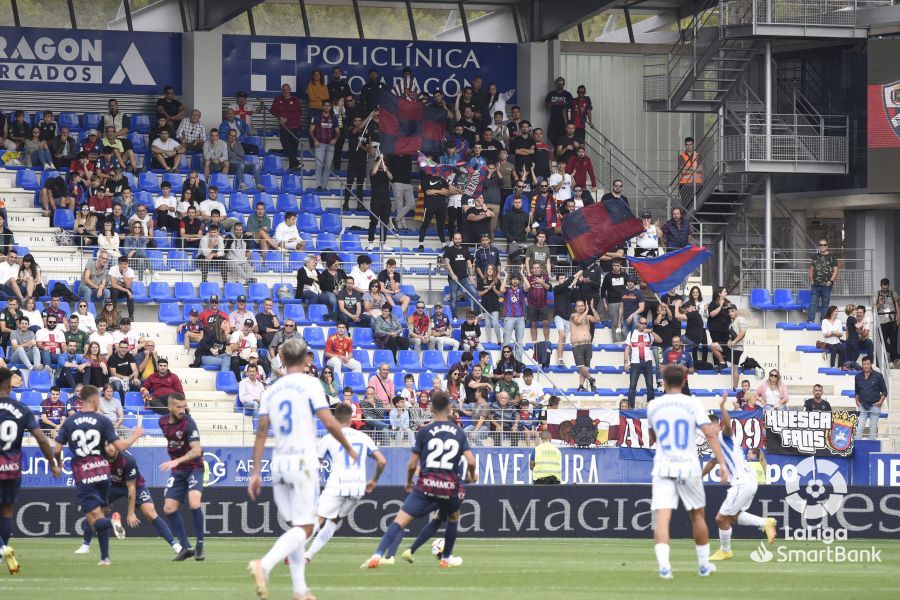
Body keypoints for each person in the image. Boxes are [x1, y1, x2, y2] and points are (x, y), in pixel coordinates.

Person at [247, 338, 357, 599]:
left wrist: (255, 472)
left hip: (278, 463)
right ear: (307, 359)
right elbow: (329, 422)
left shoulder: (271, 390)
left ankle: (300, 590)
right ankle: (264, 564)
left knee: (295, 528)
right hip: (302, 462)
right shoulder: (310, 383)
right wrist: (348, 447)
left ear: (282, 359)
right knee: (306, 528)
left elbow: (261, 432)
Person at [363, 391, 477, 569]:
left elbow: (411, 464)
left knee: (400, 520)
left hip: (427, 484)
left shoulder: (425, 431)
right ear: (449, 408)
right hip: (449, 486)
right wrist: (472, 475)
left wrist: (409, 481)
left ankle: (377, 555)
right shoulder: (459, 432)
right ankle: (446, 558)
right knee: (453, 517)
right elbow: (471, 461)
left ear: (431, 408)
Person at [648, 364, 727, 579]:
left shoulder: (654, 405)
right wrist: (721, 463)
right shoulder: (693, 403)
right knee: (697, 515)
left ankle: (664, 566)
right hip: (688, 466)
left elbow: (653, 437)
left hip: (664, 466)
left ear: (664, 382)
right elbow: (709, 434)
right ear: (684, 381)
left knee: (662, 517)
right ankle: (703, 565)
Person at [54, 384, 143, 567]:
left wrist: (57, 463)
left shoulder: (70, 422)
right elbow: (120, 447)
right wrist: (135, 435)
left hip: (84, 474)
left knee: (94, 520)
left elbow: (56, 449)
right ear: (95, 400)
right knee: (99, 515)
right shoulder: (103, 421)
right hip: (103, 473)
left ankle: (112, 523)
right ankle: (105, 557)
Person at [304, 402, 386, 564]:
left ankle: (297, 550)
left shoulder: (328, 438)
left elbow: (315, 465)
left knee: (319, 518)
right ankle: (307, 556)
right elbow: (382, 461)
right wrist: (374, 480)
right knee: (333, 521)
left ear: (335, 418)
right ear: (351, 418)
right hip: (357, 487)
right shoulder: (364, 437)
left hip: (337, 484)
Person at [703, 392, 777, 562]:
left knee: (721, 518)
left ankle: (725, 551)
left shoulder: (723, 435)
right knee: (733, 516)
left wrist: (722, 407)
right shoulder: (716, 443)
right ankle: (765, 522)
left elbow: (728, 426)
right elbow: (712, 462)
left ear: (714, 426)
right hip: (746, 481)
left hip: (742, 482)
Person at [0, 367, 59, 572]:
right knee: (6, 512)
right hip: (12, 468)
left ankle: (2, 549)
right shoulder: (22, 408)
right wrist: (52, 462)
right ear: (9, 385)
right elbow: (41, 438)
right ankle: (3, 549)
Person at [76, 443, 181, 556]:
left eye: (113, 445)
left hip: (135, 486)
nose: (111, 448)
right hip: (113, 486)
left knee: (150, 513)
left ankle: (176, 546)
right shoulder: (99, 458)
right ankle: (85, 546)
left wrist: (131, 513)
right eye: (107, 445)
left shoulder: (127, 460)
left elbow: (131, 488)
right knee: (93, 508)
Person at [159, 393, 206, 561]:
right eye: (178, 407)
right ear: (170, 407)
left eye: (184, 406)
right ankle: (185, 547)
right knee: (168, 509)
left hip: (194, 467)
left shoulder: (189, 423)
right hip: (178, 471)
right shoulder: (162, 422)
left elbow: (197, 450)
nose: (182, 410)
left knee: (194, 503)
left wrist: (176, 460)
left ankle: (200, 545)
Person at [712, 305, 749, 392]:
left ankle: (735, 388)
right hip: (730, 346)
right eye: (729, 312)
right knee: (713, 346)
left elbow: (743, 332)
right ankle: (723, 362)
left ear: (736, 311)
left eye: (732, 311)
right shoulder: (732, 323)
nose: (730, 313)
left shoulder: (740, 319)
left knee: (734, 368)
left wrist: (735, 341)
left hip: (737, 348)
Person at [269, 83, 304, 172]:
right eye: (284, 90)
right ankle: (296, 163)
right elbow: (272, 110)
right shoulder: (278, 99)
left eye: (287, 90)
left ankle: (293, 168)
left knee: (293, 148)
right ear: (281, 91)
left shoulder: (295, 100)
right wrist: (279, 117)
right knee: (285, 144)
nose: (285, 91)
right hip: (284, 128)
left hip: (295, 127)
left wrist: (287, 119)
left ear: (290, 90)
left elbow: (298, 113)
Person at [443, 232, 478, 317]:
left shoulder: (465, 251)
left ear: (461, 239)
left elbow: (469, 264)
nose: (457, 240)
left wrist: (471, 276)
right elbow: (447, 263)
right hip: (453, 279)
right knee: (453, 298)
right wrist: (452, 274)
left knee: (474, 293)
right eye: (456, 239)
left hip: (464, 278)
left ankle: (477, 314)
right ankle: (454, 317)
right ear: (453, 239)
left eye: (459, 239)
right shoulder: (449, 250)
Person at [309, 98, 340, 192]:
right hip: (320, 145)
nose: (327, 107)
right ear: (322, 106)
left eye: (328, 106)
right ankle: (319, 185)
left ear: (331, 107)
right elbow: (311, 130)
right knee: (319, 165)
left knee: (328, 166)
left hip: (330, 145)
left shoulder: (334, 118)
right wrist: (315, 140)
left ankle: (324, 186)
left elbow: (338, 132)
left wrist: (335, 139)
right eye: (325, 105)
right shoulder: (316, 116)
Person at [855, 356, 887, 440]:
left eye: (867, 364)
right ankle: (857, 448)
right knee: (859, 429)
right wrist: (857, 402)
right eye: (864, 364)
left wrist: (880, 402)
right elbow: (856, 391)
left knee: (872, 430)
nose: (866, 366)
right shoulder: (858, 377)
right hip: (862, 406)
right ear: (862, 365)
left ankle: (871, 448)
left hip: (875, 406)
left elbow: (885, 391)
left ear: (871, 364)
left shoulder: (878, 376)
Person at [569, 299, 598, 392]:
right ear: (575, 308)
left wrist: (592, 308)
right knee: (581, 366)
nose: (580, 307)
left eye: (582, 305)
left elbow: (597, 319)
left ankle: (581, 386)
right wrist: (586, 311)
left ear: (585, 306)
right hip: (577, 345)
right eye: (578, 306)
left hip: (588, 345)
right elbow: (578, 321)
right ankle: (591, 379)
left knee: (585, 367)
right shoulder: (573, 315)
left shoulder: (588, 317)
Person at [807, 238, 838, 323]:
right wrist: (811, 280)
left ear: (827, 246)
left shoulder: (832, 257)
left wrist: (831, 281)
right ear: (819, 246)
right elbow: (811, 269)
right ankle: (810, 321)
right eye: (821, 245)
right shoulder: (815, 256)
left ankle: (823, 322)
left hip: (826, 286)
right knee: (813, 304)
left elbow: (835, 271)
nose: (822, 246)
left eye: (824, 245)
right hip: (815, 285)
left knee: (825, 305)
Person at [367, 153, 393, 250]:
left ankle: (383, 242)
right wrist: (379, 159)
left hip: (386, 200)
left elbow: (391, 177)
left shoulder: (386, 172)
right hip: (375, 200)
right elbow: (373, 172)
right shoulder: (373, 171)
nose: (382, 163)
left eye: (383, 162)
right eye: (381, 162)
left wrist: (386, 168)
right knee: (373, 221)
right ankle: (370, 242)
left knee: (384, 222)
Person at [500, 271, 527, 360]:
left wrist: (522, 275)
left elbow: (528, 287)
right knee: (506, 342)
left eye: (517, 279)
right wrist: (506, 276)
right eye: (513, 279)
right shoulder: (507, 290)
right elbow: (501, 289)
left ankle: (518, 363)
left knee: (519, 343)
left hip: (520, 318)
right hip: (509, 318)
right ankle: (504, 363)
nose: (515, 281)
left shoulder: (522, 289)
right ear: (511, 280)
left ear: (519, 281)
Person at [873, 277, 900, 365]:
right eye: (883, 287)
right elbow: (874, 309)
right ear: (880, 286)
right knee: (882, 341)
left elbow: (897, 307)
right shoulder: (877, 294)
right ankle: (896, 355)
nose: (885, 289)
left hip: (892, 319)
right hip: (882, 320)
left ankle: (892, 360)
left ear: (888, 286)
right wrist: (880, 303)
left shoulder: (893, 293)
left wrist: (898, 319)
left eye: (886, 287)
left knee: (893, 341)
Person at [524, 263, 552, 343]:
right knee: (533, 324)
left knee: (546, 323)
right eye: (534, 268)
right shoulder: (529, 278)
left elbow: (549, 288)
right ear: (532, 270)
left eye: (537, 268)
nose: (536, 269)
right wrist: (525, 299)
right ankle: (534, 343)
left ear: (540, 269)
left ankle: (547, 342)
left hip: (543, 304)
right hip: (532, 304)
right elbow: (525, 291)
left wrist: (542, 282)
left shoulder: (545, 277)